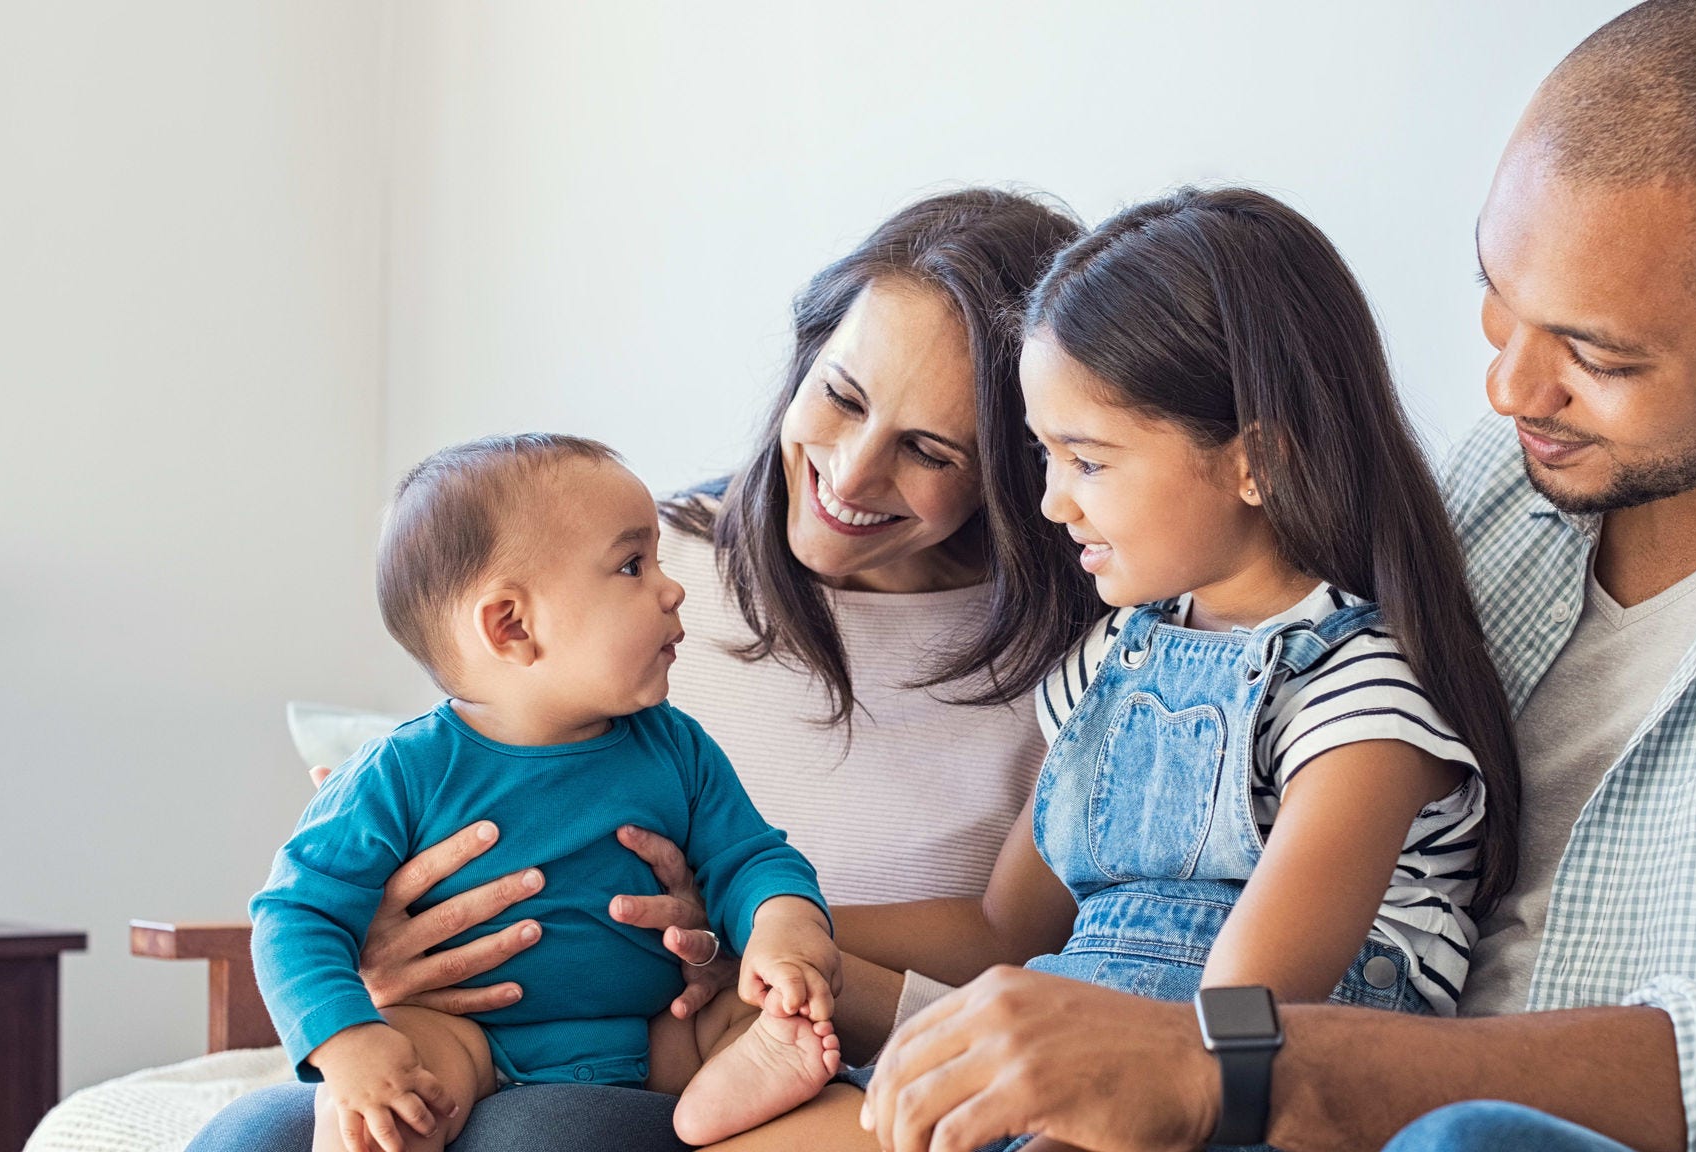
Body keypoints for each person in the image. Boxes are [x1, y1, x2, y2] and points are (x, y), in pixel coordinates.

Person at [854, 3, 1696, 1151]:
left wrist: (1221, 1064)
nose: (1511, 390)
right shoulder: (1514, 475)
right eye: (1495, 306)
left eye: (1595, 355)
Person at [187, 190, 1098, 1152]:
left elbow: (1014, 950)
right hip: (480, 1026)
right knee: (252, 1135)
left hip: (732, 1041)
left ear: (1016, 461)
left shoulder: (1079, 665)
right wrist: (368, 968)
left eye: (928, 449)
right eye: (840, 395)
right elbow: (466, 773)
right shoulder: (620, 564)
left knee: (544, 1136)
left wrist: (755, 934)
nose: (851, 475)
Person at [704, 186, 1526, 1152]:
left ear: (1256, 463)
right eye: (1042, 455)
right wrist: (782, 930)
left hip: (1223, 1091)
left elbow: (1233, 1031)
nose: (1049, 505)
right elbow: (1002, 932)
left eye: (1086, 462)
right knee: (725, 1069)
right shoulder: (1113, 660)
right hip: (1075, 1040)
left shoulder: (1360, 701)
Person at [251, 434, 847, 1152]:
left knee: (750, 1016)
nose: (672, 587)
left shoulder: (676, 747)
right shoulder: (402, 772)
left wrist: (784, 931)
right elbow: (293, 915)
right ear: (512, 626)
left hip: (657, 1031)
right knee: (386, 1100)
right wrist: (348, 1046)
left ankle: (725, 1091)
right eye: (633, 565)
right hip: (468, 1040)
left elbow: (751, 858)